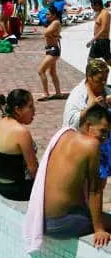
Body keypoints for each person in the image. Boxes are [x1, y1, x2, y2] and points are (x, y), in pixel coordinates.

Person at [28, 105, 111, 245]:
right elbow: (95, 191)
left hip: (40, 219)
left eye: (107, 133)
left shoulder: (64, 134)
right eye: (102, 131)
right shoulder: (91, 145)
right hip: (60, 224)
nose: (104, 137)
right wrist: (99, 229)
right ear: (88, 125)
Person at [0, 89, 38, 201]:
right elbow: (33, 169)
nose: (34, 111)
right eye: (30, 107)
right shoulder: (22, 132)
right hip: (16, 189)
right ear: (18, 110)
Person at [38, 5, 64, 101]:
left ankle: (46, 93)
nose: (46, 16)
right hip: (50, 50)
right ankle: (58, 93)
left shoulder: (56, 22)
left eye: (48, 14)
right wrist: (55, 36)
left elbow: (46, 33)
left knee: (41, 70)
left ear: (54, 15)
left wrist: (53, 36)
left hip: (53, 50)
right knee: (52, 72)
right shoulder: (53, 23)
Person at [87, 0, 111, 64]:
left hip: (103, 41)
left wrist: (92, 40)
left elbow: (104, 29)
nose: (92, 8)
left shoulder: (105, 14)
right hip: (98, 41)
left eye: (93, 5)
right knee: (90, 59)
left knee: (108, 60)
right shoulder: (99, 13)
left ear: (97, 4)